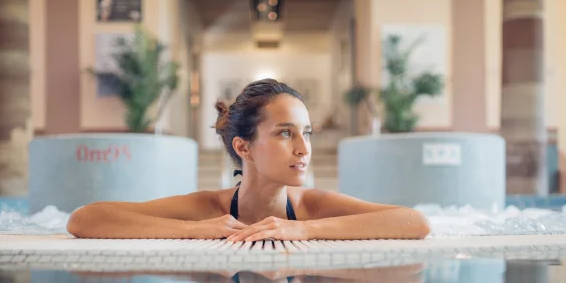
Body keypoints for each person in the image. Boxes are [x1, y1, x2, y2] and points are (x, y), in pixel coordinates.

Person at [66, 79, 431, 240]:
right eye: (286, 133)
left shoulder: (312, 208)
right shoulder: (210, 209)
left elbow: (415, 222)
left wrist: (303, 229)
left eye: (307, 132)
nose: (303, 149)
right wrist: (194, 230)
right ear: (244, 148)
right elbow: (84, 219)